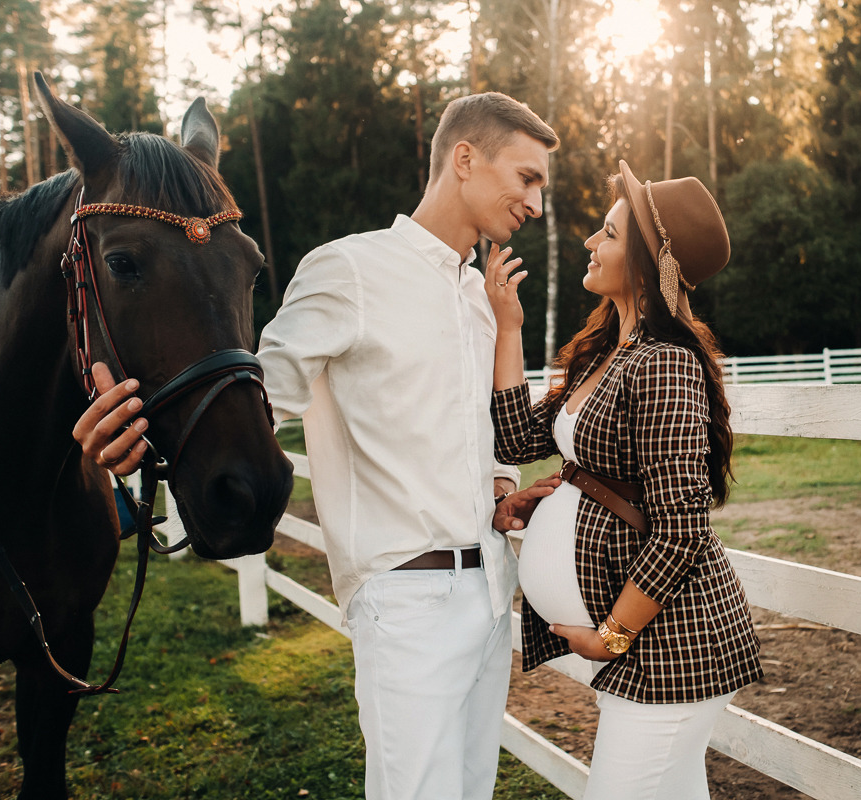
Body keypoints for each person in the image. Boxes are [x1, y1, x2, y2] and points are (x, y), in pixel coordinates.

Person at [72, 92, 562, 800]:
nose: (535, 203)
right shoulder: (351, 269)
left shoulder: (475, 298)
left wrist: (499, 490)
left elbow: (475, 436)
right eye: (527, 178)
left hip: (490, 594)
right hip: (407, 599)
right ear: (465, 159)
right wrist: (136, 437)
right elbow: (255, 399)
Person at [483, 160, 764, 799]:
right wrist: (507, 330)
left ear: (644, 262)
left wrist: (612, 637)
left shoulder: (663, 363)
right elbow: (516, 439)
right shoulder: (609, 355)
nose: (590, 241)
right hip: (645, 645)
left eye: (607, 234)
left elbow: (680, 528)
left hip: (671, 643)